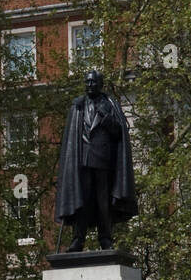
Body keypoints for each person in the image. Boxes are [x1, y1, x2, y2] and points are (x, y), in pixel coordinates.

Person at [54, 69, 137, 252]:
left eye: (93, 82)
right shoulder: (78, 106)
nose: (90, 85)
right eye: (87, 82)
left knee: (103, 203)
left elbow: (119, 132)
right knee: (81, 201)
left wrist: (106, 117)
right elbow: (70, 139)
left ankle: (105, 238)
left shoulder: (110, 104)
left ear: (100, 84)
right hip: (82, 159)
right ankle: (78, 239)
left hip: (103, 160)